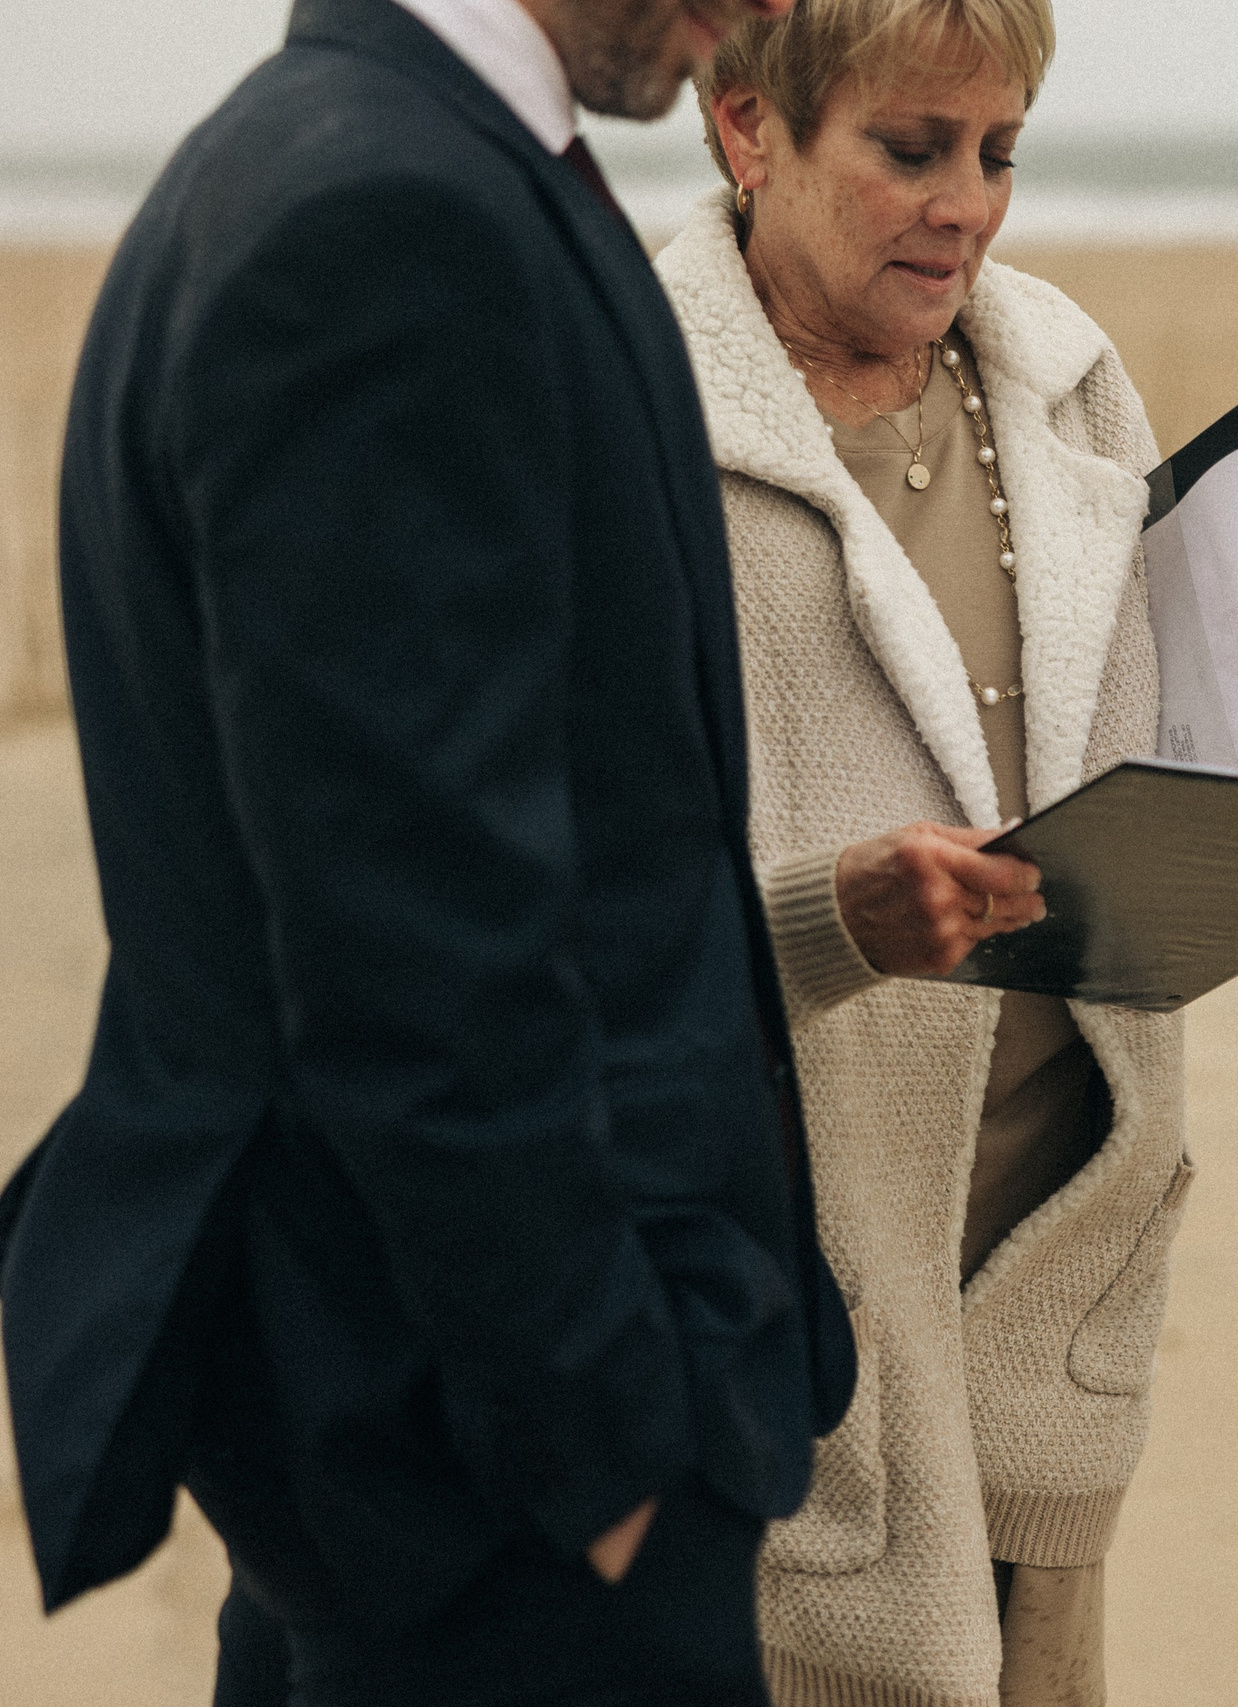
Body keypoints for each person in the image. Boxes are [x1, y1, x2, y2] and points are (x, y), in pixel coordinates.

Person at [649, 3, 1238, 1699]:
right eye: (912, 150)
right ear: (750, 129)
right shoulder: (629, 409)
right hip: (777, 1321)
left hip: (1054, 1274)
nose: (968, 205)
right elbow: (555, 924)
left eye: (999, 154)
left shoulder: (1059, 374)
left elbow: (1203, 716)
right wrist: (832, 922)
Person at [0, 0, 861, 1701]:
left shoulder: (365, 157)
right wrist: (602, 1441)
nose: (767, 7)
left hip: (430, 1441)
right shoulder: (382, 221)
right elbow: (416, 940)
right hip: (493, 1479)